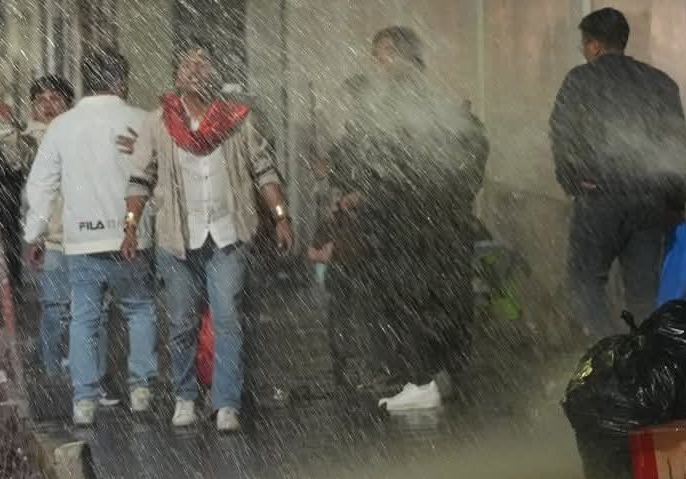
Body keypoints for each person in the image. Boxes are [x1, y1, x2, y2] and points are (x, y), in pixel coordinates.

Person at [317, 27, 488, 413]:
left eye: (382, 54)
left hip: (408, 221)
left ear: (400, 56)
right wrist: (459, 193)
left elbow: (376, 157)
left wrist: (357, 185)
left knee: (409, 299)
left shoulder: (394, 103)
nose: (377, 63)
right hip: (440, 219)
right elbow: (471, 144)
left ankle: (422, 379)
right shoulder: (437, 99)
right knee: (442, 297)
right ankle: (442, 375)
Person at [126, 44, 292, 434]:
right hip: (177, 239)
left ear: (216, 75)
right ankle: (185, 395)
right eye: (189, 65)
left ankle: (226, 402)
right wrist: (130, 225)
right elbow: (140, 178)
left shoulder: (237, 119)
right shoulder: (158, 122)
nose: (197, 71)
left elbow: (264, 171)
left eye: (205, 64)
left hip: (227, 235)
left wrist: (281, 217)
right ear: (177, 76)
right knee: (182, 322)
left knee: (227, 317)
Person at [21, 47, 156, 428]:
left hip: (81, 239)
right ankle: (141, 388)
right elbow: (158, 176)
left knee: (84, 317)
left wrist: (34, 231)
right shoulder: (142, 120)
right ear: (121, 82)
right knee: (139, 310)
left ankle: (84, 399)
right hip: (132, 235)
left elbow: (41, 183)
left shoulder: (63, 127)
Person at [547, 7, 686, 335]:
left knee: (585, 282)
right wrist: (675, 202)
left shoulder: (580, 81)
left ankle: (605, 347)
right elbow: (677, 146)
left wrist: (573, 182)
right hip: (650, 202)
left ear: (595, 45)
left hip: (600, 200)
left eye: (584, 44)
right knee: (642, 293)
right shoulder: (660, 83)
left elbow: (562, 134)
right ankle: (642, 355)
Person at [0, 75, 75, 381]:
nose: (48, 105)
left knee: (85, 308)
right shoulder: (32, 140)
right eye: (41, 100)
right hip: (52, 236)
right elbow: (14, 152)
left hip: (84, 232)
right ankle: (52, 368)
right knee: (55, 305)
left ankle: (73, 365)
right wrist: (4, 126)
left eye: (55, 98)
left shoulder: (79, 131)